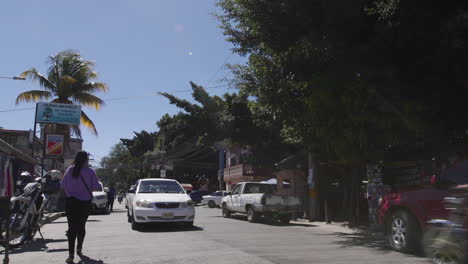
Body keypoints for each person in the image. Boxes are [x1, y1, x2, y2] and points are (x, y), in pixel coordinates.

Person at [61, 151, 101, 263]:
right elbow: (96, 187)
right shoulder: (90, 172)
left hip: (71, 203)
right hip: (85, 204)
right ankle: (79, 247)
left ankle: (71, 255)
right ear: (85, 160)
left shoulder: (70, 170)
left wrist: (71, 193)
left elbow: (63, 185)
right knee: (81, 226)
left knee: (71, 228)